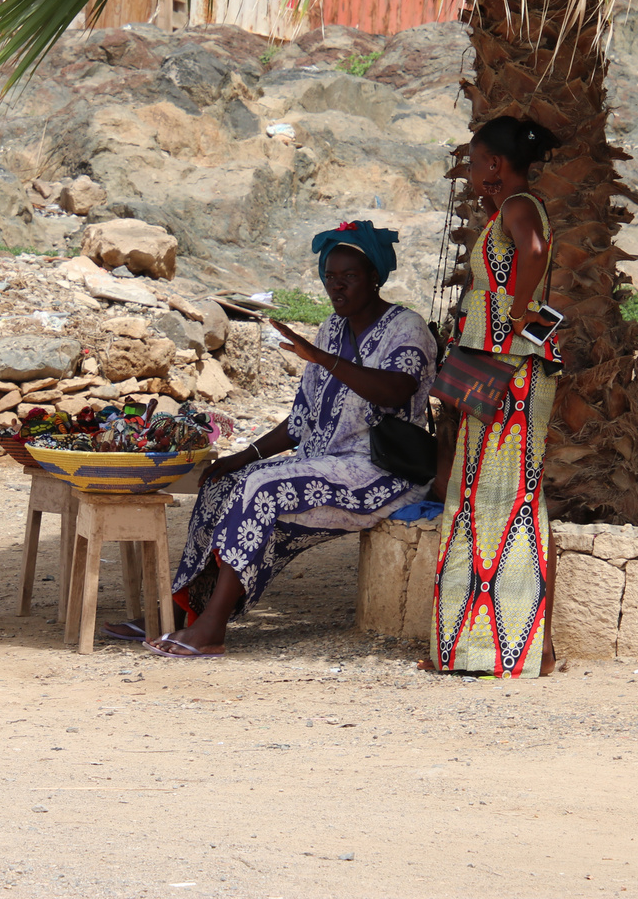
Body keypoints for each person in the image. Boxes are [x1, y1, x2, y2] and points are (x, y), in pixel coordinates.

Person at [137, 221, 438, 658]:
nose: (336, 286)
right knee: (223, 483)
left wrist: (319, 358)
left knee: (262, 489)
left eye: (349, 277)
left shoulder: (406, 328)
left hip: (380, 472)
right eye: (330, 276)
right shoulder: (333, 329)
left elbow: (396, 390)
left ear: (374, 277)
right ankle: (182, 615)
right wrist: (242, 456)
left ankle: (213, 629)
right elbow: (300, 421)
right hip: (322, 462)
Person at [427, 115, 563, 678]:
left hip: (511, 367)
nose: (475, 174)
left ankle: (502, 649)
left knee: (501, 502)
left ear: (495, 164)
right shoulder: (512, 207)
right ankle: (508, 647)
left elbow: (530, 251)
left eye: (478, 163)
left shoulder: (519, 207)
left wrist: (521, 312)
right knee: (503, 500)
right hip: (510, 363)